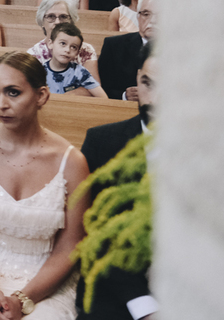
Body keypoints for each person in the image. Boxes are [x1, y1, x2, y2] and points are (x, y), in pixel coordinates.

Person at [0, 52, 90, 320]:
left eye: (13, 92)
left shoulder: (71, 162)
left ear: (41, 96)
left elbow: (69, 248)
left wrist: (23, 300)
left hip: (45, 282)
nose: (1, 104)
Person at [78, 47, 157, 320]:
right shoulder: (103, 144)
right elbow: (97, 235)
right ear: (138, 78)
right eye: (148, 84)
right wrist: (146, 308)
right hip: (116, 294)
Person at [97, 0, 157, 101]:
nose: (152, 21)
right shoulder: (114, 45)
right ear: (138, 17)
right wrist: (124, 96)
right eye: (146, 14)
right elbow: (101, 88)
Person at [27, 0, 100, 80]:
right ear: (42, 22)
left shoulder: (86, 50)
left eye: (63, 17)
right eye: (51, 16)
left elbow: (93, 86)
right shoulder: (33, 55)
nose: (57, 22)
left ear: (71, 21)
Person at [42, 24, 106, 98]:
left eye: (73, 47)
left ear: (77, 53)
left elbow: (103, 97)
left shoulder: (80, 72)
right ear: (50, 44)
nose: (67, 50)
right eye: (63, 43)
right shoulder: (40, 72)